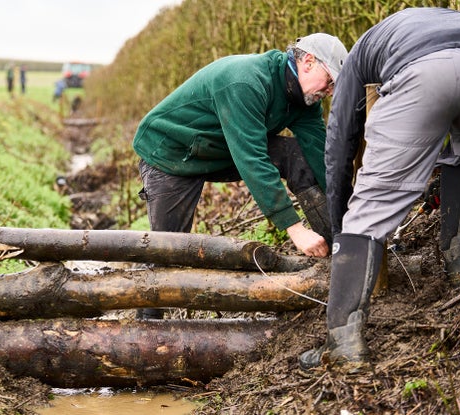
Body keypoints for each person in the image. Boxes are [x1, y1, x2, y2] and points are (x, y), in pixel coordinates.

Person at [299, 7, 460, 370]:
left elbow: (340, 145)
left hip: (426, 72)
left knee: (373, 205)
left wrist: (342, 221)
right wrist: (452, 163)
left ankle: (343, 344)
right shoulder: (454, 19)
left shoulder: (360, 53)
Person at [133, 33, 348, 319]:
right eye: (330, 80)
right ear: (308, 62)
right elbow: (252, 159)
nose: (330, 90)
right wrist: (295, 229)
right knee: (167, 250)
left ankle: (337, 245)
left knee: (298, 156)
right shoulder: (245, 81)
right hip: (171, 153)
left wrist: (349, 211)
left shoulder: (305, 101)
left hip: (221, 147)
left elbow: (321, 157)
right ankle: (146, 332)